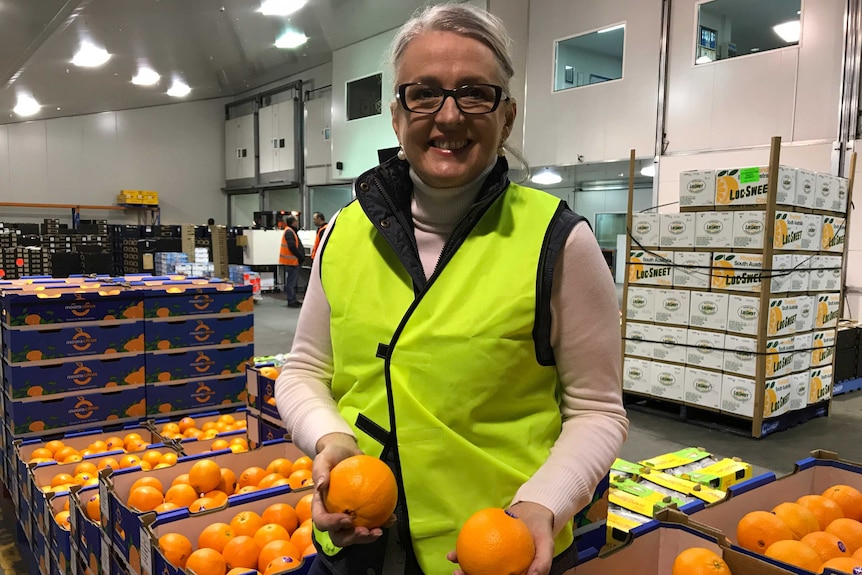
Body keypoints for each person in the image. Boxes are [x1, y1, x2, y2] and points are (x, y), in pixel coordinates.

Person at [274, 5, 627, 575]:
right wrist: (329, 441)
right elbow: (304, 370)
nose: (449, 115)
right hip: (357, 540)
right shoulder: (343, 231)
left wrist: (544, 503)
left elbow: (598, 411)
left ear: (506, 117)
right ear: (396, 114)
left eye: (474, 93)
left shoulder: (559, 241)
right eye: (424, 93)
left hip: (496, 551)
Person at [279, 214, 305, 308]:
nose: (297, 223)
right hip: (292, 261)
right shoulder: (289, 232)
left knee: (292, 282)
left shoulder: (290, 231)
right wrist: (300, 256)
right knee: (291, 282)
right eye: (296, 221)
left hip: (292, 261)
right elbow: (292, 247)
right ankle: (291, 300)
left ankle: (293, 299)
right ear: (293, 222)